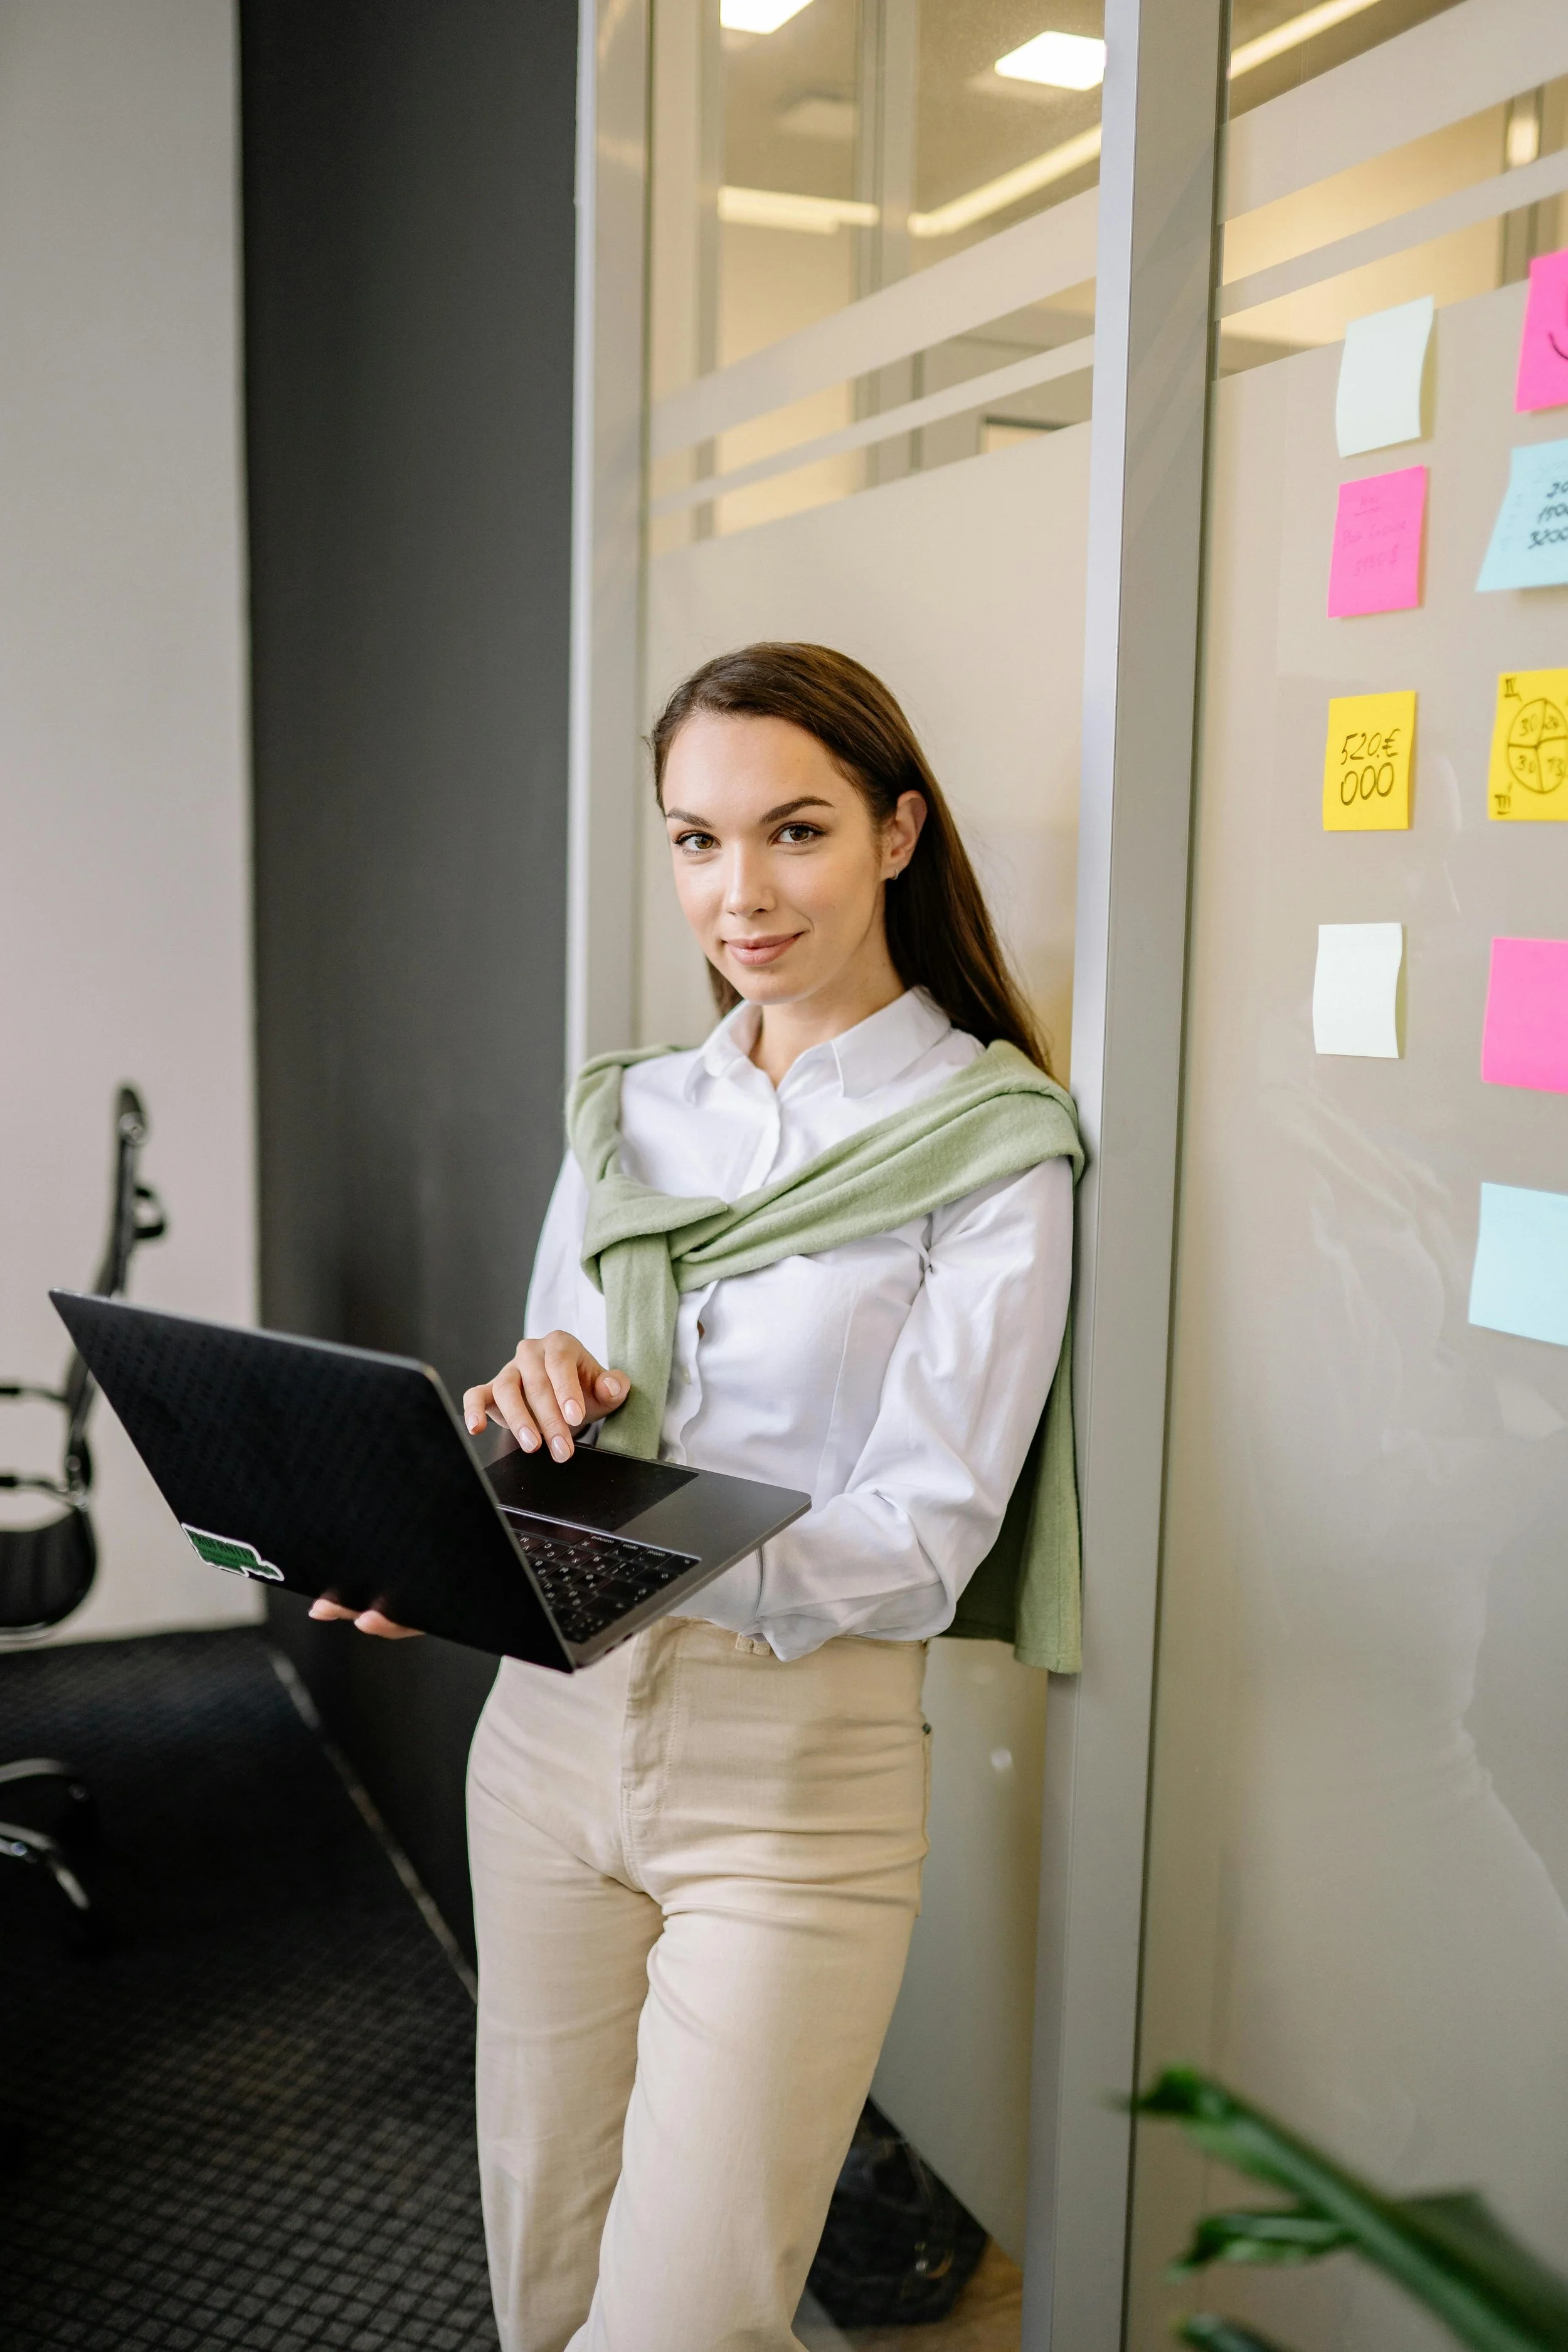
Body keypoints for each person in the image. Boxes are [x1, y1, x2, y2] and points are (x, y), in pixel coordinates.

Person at [312, 643, 1080, 2352]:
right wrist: (485, 1491)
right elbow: (557, 1410)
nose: (738, 892)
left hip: (793, 1790)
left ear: (895, 834)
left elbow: (923, 1537)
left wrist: (602, 1540)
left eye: (792, 830)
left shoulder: (991, 1140)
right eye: (694, 839)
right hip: (543, 1740)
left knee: (684, 2321)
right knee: (547, 2274)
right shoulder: (631, 1111)